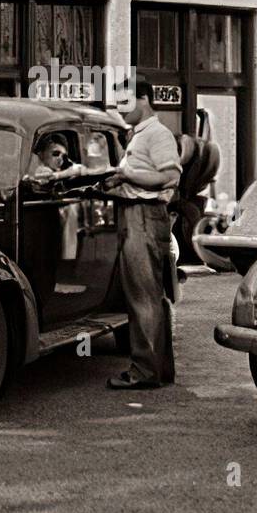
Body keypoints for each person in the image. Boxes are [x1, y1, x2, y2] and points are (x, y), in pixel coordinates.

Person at [104, 79, 182, 390]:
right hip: (137, 214)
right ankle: (158, 369)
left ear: (144, 99)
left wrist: (126, 174)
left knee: (143, 297)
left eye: (125, 101)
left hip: (144, 216)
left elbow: (170, 176)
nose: (120, 109)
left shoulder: (157, 134)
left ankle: (144, 372)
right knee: (148, 296)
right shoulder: (140, 135)